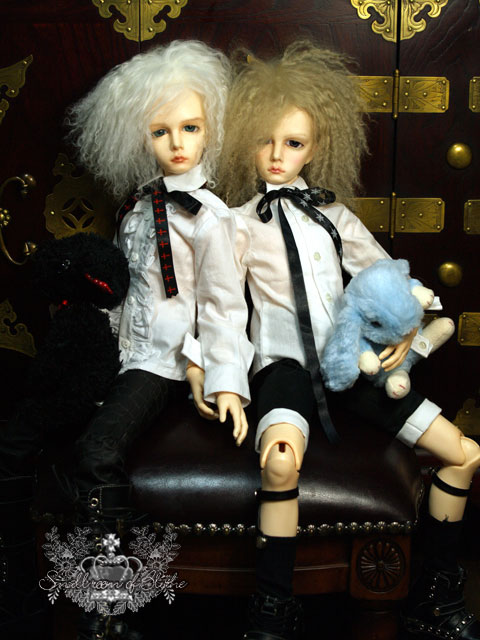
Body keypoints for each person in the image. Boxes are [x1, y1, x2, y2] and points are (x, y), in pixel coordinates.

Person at [188, 41, 480, 640]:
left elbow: (384, 278)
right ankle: (272, 611)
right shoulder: (234, 225)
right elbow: (219, 311)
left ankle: (435, 594)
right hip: (284, 367)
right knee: (279, 463)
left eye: (294, 143)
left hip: (350, 361)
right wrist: (225, 382)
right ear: (245, 142)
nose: (278, 155)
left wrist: (408, 326)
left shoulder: (335, 217)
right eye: (265, 141)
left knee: (464, 452)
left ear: (316, 147)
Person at [0, 39, 252, 640]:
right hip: (119, 352)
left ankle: (110, 605)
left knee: (96, 451)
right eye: (160, 131)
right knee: (24, 435)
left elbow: (223, 307)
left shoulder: (211, 217)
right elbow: (126, 291)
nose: (177, 143)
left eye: (190, 128)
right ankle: (20, 585)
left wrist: (221, 377)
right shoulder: (137, 208)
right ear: (140, 138)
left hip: (163, 361)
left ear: (211, 129)